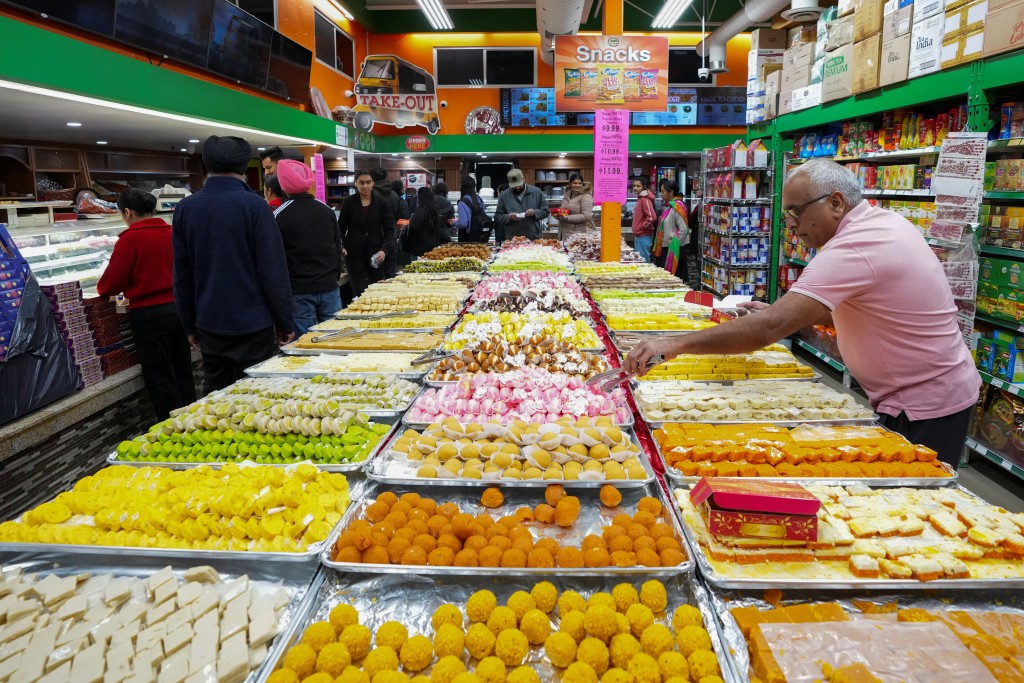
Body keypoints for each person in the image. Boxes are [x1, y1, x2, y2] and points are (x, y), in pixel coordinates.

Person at [625, 159, 980, 467]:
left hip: (924, 405)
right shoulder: (880, 224)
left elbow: (769, 329)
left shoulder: (854, 246)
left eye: (795, 212)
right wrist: (782, 312)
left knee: (913, 501)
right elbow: (861, 308)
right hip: (925, 394)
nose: (790, 225)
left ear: (836, 203)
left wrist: (671, 345)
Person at [173, 135, 294, 393]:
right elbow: (273, 271)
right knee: (255, 397)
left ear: (207, 166)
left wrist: (189, 324)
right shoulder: (255, 206)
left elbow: (182, 274)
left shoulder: (185, 208)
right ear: (243, 169)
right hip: (254, 323)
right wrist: (285, 322)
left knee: (215, 395)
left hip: (209, 321)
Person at [97, 189, 195, 420]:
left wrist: (108, 295)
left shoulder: (129, 239)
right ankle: (192, 420)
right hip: (180, 309)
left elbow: (110, 285)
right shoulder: (172, 232)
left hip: (149, 316)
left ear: (128, 212)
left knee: (160, 375)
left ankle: (171, 428)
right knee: (182, 369)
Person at [273, 159, 344, 336]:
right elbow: (337, 247)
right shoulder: (326, 210)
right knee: (335, 339)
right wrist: (333, 277)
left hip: (299, 291)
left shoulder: (279, 215)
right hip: (329, 286)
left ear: (283, 186)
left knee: (305, 343)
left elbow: (276, 259)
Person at [337, 170, 396, 296]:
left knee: (377, 289)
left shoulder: (381, 202)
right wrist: (341, 245)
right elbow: (341, 227)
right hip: (353, 252)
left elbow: (389, 230)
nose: (365, 186)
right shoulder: (348, 202)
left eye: (368, 182)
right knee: (358, 289)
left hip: (376, 251)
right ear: (356, 184)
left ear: (373, 183)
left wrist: (384, 250)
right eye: (361, 183)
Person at [495, 169, 549, 240]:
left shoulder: (537, 192)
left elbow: (545, 211)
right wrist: (510, 217)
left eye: (519, 184)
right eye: (514, 185)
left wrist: (534, 212)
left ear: (523, 179)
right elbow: (498, 216)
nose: (517, 187)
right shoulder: (504, 196)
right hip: (513, 239)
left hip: (533, 236)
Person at [653, 180, 689, 280]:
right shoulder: (669, 206)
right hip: (667, 247)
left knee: (675, 279)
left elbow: (683, 229)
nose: (661, 194)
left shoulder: (677, 207)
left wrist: (675, 244)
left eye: (663, 191)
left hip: (675, 249)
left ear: (671, 192)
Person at [407, 186, 445, 258]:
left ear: (420, 197)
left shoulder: (420, 210)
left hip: (420, 246)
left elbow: (414, 227)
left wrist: (406, 227)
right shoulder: (434, 209)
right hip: (434, 245)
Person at [558, 173, 595, 240]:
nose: (577, 185)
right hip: (563, 232)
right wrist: (558, 214)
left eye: (579, 183)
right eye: (574, 183)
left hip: (577, 234)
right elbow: (565, 210)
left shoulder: (585, 196)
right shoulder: (567, 195)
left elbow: (587, 216)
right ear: (570, 184)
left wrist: (566, 218)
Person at [454, 176, 487, 243]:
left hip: (467, 237)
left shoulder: (462, 202)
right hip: (479, 234)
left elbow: (463, 223)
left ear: (463, 186)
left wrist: (453, 222)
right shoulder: (479, 199)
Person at [631, 177, 656, 262]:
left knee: (643, 261)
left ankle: (647, 276)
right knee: (640, 260)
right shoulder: (640, 198)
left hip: (644, 235)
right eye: (634, 186)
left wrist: (641, 227)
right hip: (640, 235)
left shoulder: (645, 199)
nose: (635, 188)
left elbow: (652, 217)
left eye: (638, 186)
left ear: (644, 187)